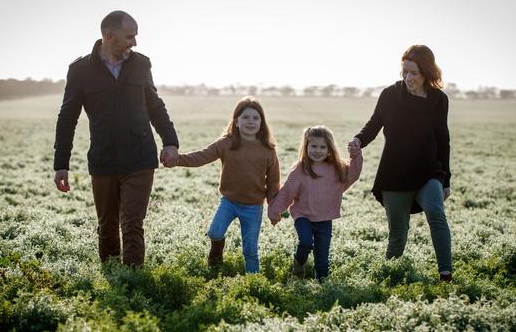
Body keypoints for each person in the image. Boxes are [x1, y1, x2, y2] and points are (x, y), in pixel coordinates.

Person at [53, 10, 179, 268]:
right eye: (129, 36)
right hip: (103, 159)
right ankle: (113, 281)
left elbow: (155, 105)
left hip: (140, 157)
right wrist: (61, 164)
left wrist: (170, 142)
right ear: (109, 37)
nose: (135, 42)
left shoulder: (142, 64)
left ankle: (133, 283)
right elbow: (67, 118)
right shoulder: (80, 70)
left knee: (132, 223)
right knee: (107, 225)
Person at [349, 44, 453, 282]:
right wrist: (358, 140)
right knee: (398, 233)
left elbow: (443, 140)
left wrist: (446, 179)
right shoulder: (390, 95)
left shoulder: (439, 100)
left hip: (429, 171)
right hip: (394, 174)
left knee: (436, 213)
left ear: (427, 72)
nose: (408, 77)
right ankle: (390, 278)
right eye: (404, 72)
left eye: (414, 73)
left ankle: (446, 275)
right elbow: (374, 124)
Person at [163, 96, 280, 273]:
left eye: (256, 118)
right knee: (215, 233)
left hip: (253, 207)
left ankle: (254, 283)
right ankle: (216, 253)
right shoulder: (226, 143)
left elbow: (273, 182)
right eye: (246, 117)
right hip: (229, 202)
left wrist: (274, 208)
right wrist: (177, 160)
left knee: (250, 250)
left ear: (262, 123)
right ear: (236, 121)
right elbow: (201, 156)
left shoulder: (268, 150)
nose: (251, 122)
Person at [268, 125, 362, 281]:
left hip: (325, 219)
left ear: (329, 148)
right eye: (313, 146)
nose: (317, 150)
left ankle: (322, 283)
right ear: (306, 147)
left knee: (322, 258)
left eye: (322, 147)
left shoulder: (336, 167)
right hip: (303, 216)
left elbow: (353, 174)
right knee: (305, 242)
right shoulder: (300, 169)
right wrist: (274, 210)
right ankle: (298, 272)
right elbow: (287, 192)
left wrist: (356, 155)